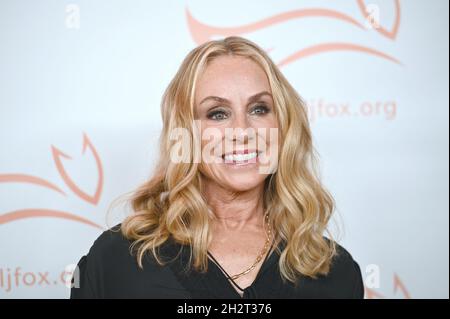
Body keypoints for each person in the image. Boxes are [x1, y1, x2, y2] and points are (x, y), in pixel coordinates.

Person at [70, 36, 364, 299]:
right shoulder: (118, 259)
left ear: (284, 126)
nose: (242, 131)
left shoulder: (334, 270)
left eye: (259, 109)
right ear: (186, 134)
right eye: (217, 113)